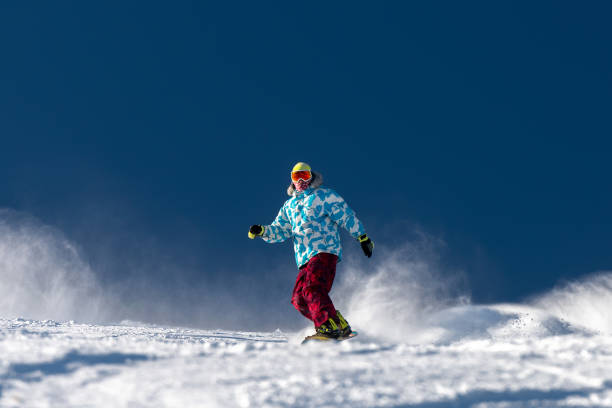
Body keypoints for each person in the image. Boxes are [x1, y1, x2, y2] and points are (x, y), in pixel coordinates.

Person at [248, 162, 374, 339]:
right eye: (296, 176)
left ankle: (327, 327)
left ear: (312, 177)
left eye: (305, 176)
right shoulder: (289, 206)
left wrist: (362, 236)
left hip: (324, 250)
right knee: (299, 299)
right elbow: (280, 230)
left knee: (312, 289)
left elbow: (345, 215)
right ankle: (337, 324)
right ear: (291, 180)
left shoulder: (323, 196)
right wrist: (262, 231)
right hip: (305, 259)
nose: (300, 180)